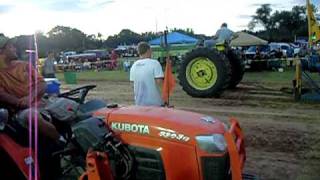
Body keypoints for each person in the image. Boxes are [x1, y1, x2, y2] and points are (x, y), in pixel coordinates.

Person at [0, 39, 61, 144]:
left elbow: (42, 83)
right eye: (11, 46)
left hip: (42, 103)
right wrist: (19, 102)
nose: (15, 49)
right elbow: (2, 95)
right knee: (32, 117)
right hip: (20, 111)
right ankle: (61, 142)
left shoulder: (24, 65)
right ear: (1, 51)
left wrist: (30, 97)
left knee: (71, 108)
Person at [130, 42, 164, 106]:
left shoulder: (134, 65)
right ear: (148, 50)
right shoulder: (155, 63)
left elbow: (133, 84)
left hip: (139, 103)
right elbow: (160, 82)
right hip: (155, 103)